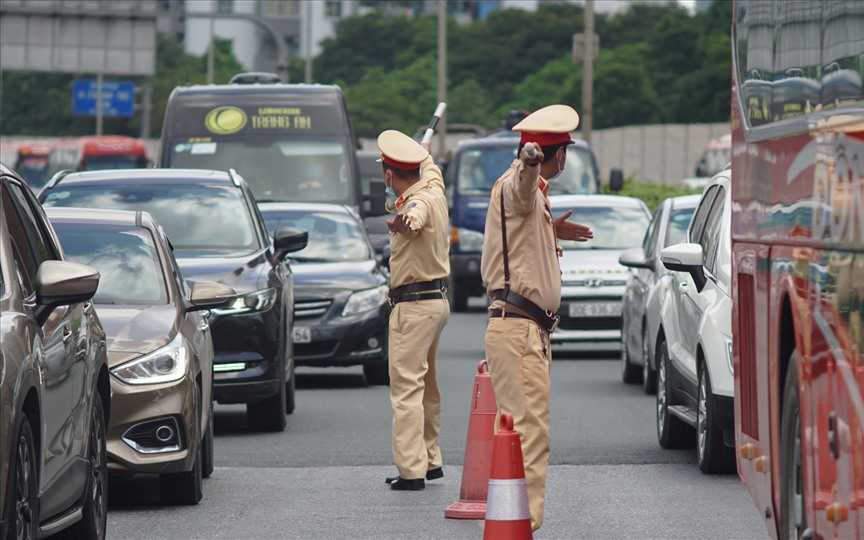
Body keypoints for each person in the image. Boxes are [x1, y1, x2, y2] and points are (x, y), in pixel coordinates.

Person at [480, 104, 593, 531]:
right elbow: (521, 189)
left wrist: (552, 229)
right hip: (520, 329)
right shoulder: (520, 182)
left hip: (523, 329)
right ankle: (521, 525)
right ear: (557, 154)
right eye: (563, 151)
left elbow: (523, 214)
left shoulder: (534, 197)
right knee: (529, 433)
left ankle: (513, 521)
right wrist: (530, 161)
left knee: (517, 430)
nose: (565, 159)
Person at [377, 129, 451, 491]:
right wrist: (424, 152)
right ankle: (430, 459)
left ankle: (411, 470)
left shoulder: (415, 204)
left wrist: (406, 222)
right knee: (427, 387)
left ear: (389, 175)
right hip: (436, 303)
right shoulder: (433, 188)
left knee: (406, 389)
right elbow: (431, 168)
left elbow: (414, 217)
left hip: (414, 305)